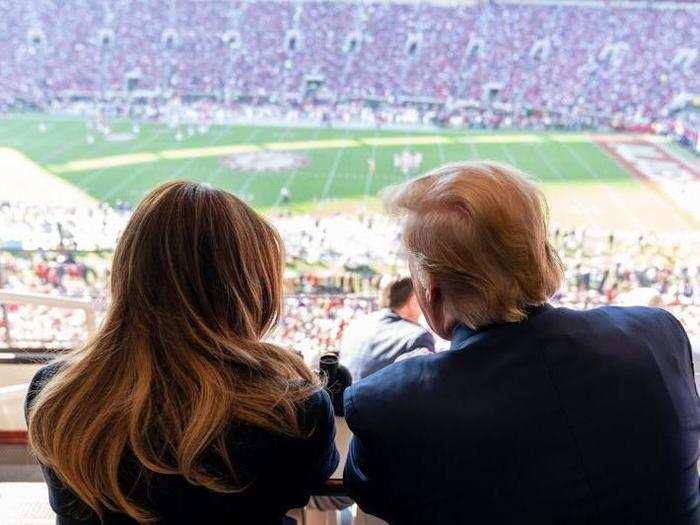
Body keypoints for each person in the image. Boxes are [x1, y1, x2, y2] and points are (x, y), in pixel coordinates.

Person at [343, 161, 700, 524]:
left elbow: (369, 491)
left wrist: (413, 380)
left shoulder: (393, 404)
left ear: (432, 293)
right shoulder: (659, 335)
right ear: (543, 257)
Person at [26, 181, 338, 524]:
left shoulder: (56, 392)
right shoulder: (292, 409)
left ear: (128, 269)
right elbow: (305, 489)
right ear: (249, 289)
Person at [340, 277, 435, 381]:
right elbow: (425, 387)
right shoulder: (417, 336)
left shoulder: (356, 325)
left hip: (346, 395)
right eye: (423, 295)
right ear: (413, 300)